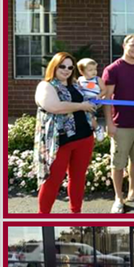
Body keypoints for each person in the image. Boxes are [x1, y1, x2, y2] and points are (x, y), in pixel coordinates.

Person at [33, 52, 96, 214]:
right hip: (60, 142)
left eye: (70, 67)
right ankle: (43, 217)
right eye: (62, 66)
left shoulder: (76, 84)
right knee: (52, 180)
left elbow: (94, 96)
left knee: (78, 178)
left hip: (84, 138)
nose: (66, 70)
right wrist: (81, 106)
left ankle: (76, 213)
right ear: (54, 66)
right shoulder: (46, 86)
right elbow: (54, 106)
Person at [102, 34, 134, 214]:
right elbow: (106, 99)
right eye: (132, 45)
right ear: (124, 45)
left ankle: (133, 192)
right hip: (120, 125)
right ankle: (118, 197)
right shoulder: (113, 69)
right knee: (118, 163)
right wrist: (109, 123)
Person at [75, 57, 103, 133]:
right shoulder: (80, 79)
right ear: (82, 71)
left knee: (88, 114)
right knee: (81, 114)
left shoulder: (97, 79)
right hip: (84, 99)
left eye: (95, 69)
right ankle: (89, 127)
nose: (94, 72)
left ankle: (98, 128)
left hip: (94, 99)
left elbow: (104, 90)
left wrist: (100, 95)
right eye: (90, 70)